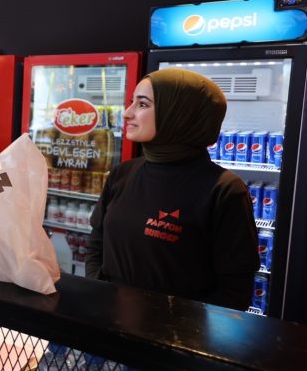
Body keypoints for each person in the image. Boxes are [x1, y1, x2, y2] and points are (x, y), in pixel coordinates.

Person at [85, 68, 259, 311]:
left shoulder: (224, 190)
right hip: (108, 321)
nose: (127, 113)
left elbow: (234, 291)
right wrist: (102, 294)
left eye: (142, 104)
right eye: (132, 102)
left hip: (176, 332)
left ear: (180, 114)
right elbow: (96, 243)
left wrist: (173, 326)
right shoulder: (123, 173)